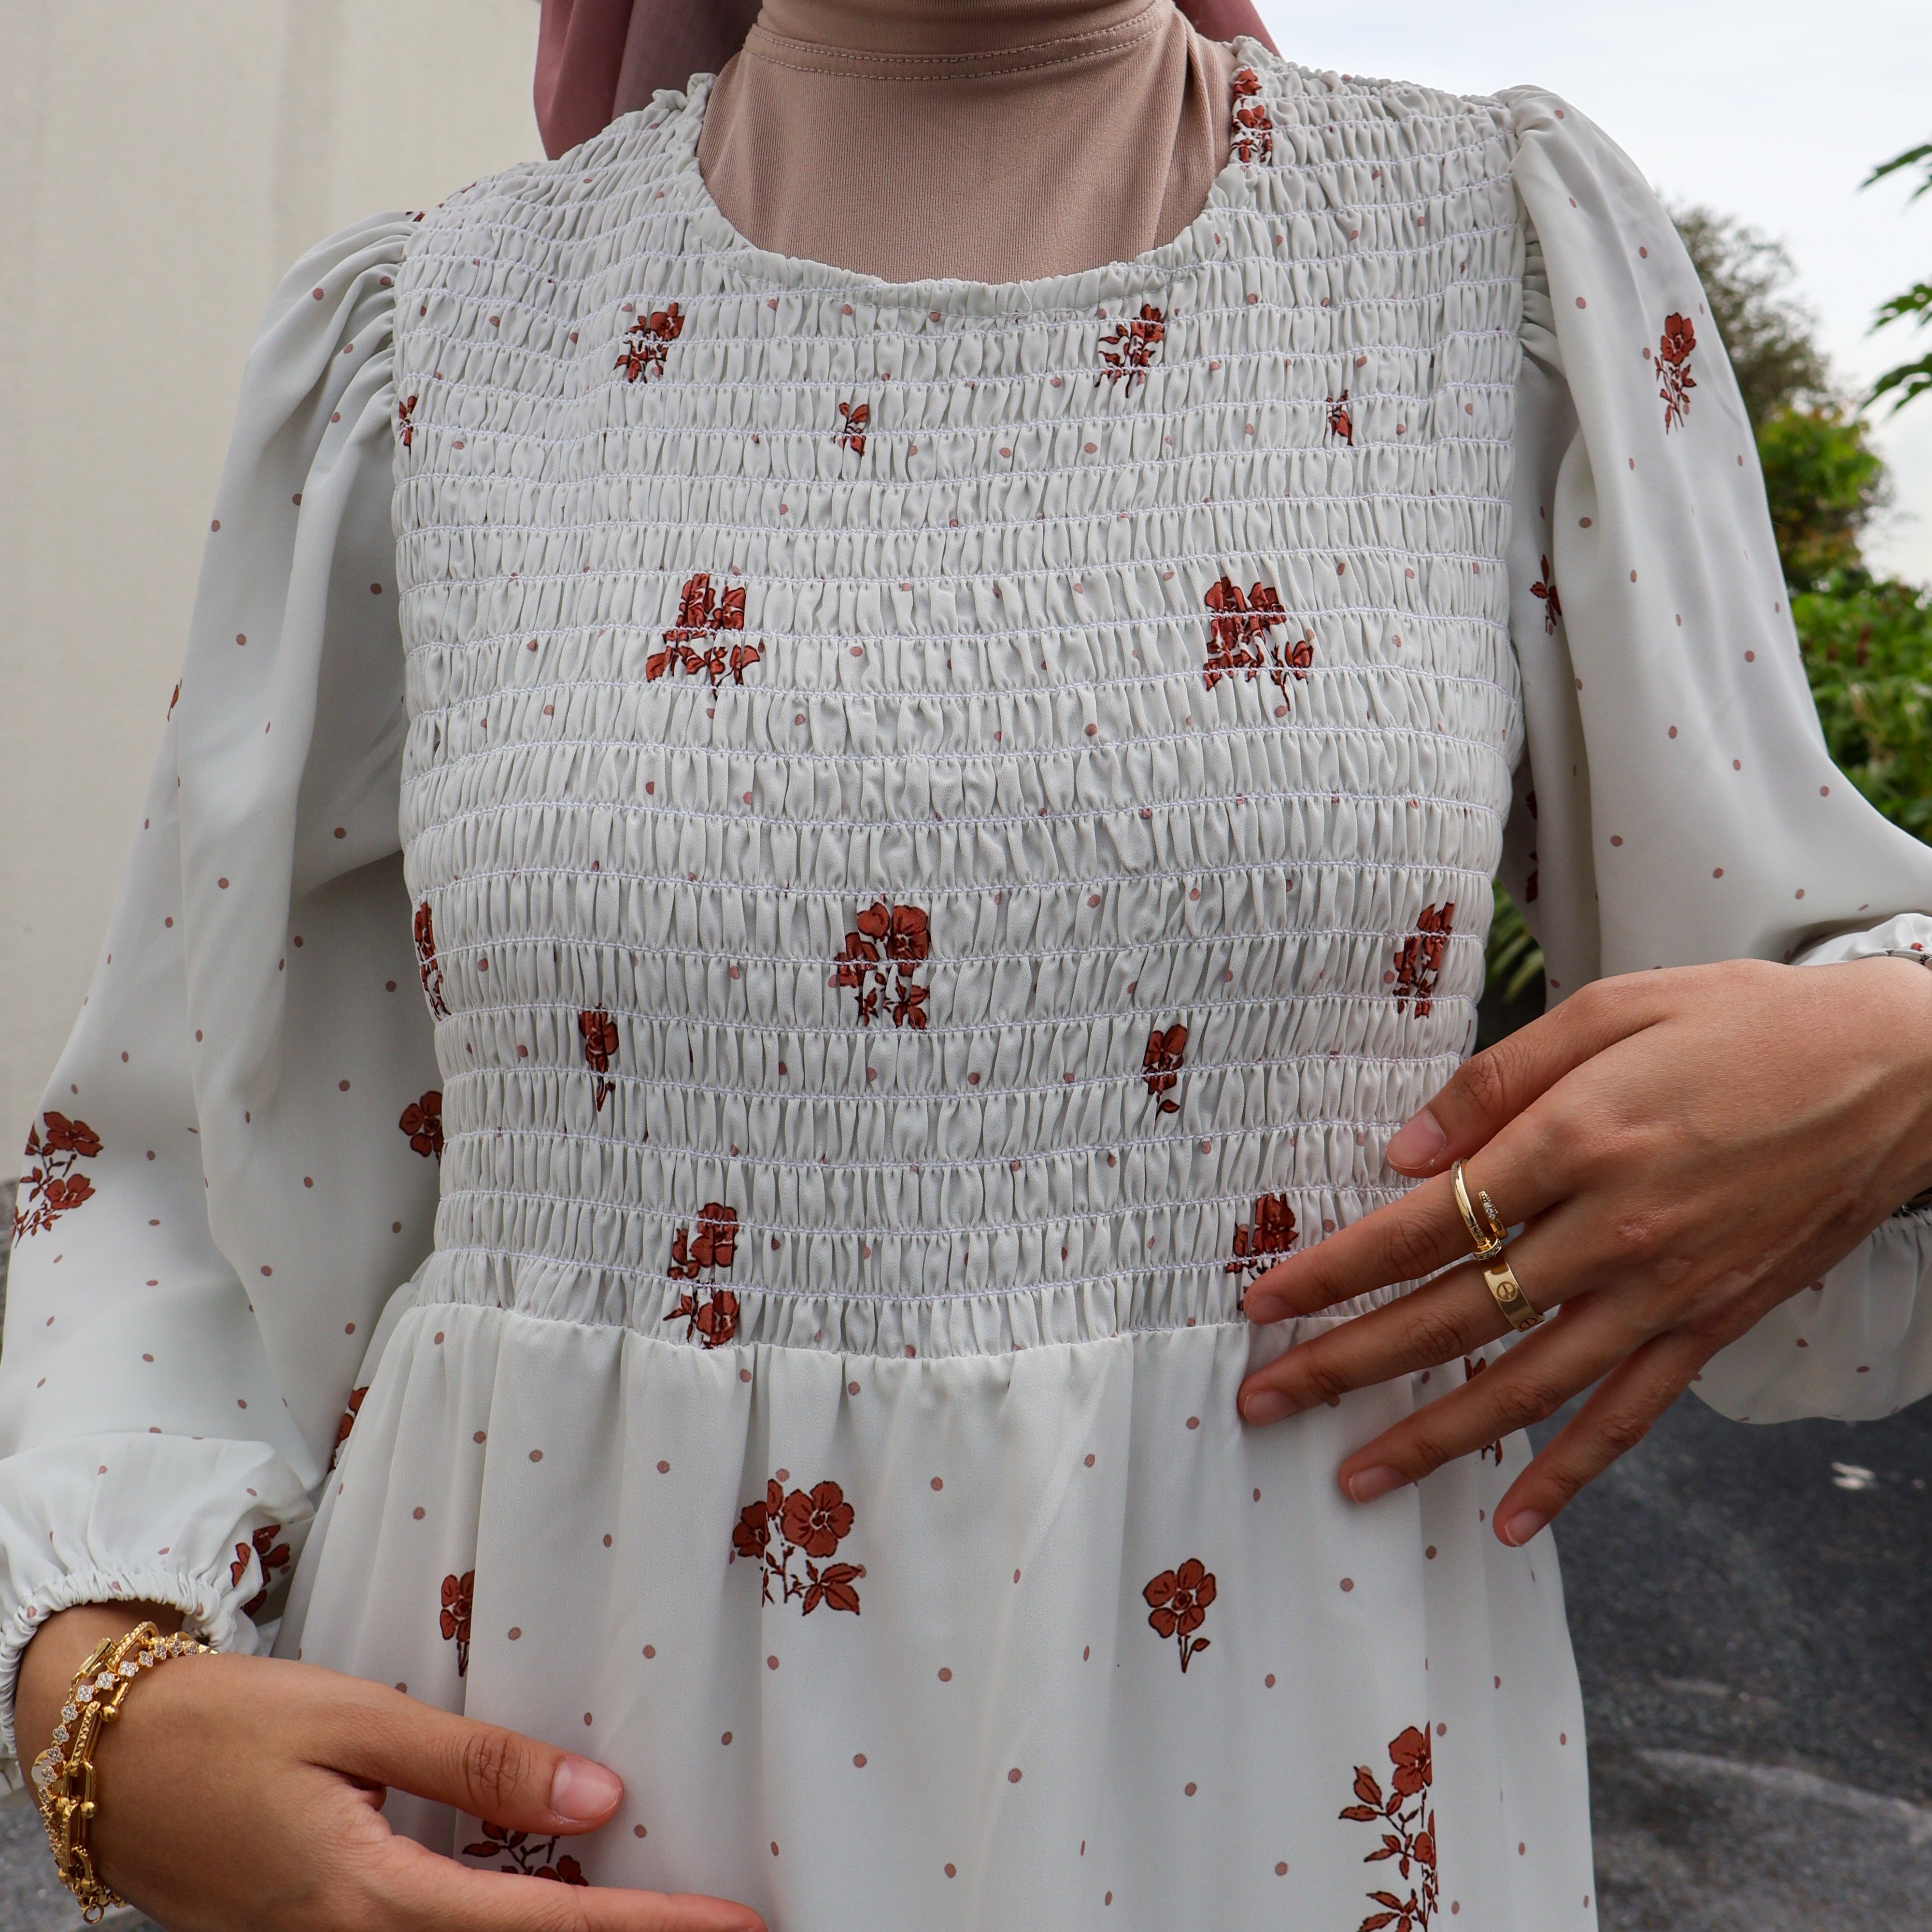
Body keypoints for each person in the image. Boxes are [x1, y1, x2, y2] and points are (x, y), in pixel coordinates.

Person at [8, 2, 1932, 1927]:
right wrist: (101, 1698)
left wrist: (1902, 1049)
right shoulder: (428, 341)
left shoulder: (1488, 270)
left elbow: (1796, 1027)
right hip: (546, 1795)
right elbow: (177, 1156)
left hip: (1274, 1794)